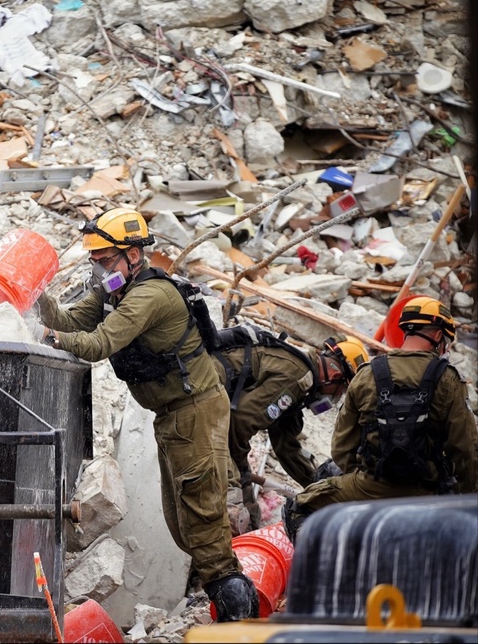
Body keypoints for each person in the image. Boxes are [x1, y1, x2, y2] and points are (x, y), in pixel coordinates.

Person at [29, 207, 260, 622]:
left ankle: (237, 611)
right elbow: (70, 320)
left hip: (196, 410)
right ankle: (222, 594)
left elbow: (98, 344)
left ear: (133, 255)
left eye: (104, 260)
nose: (98, 269)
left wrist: (48, 336)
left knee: (203, 520)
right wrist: (34, 295)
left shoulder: (151, 295)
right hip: (171, 415)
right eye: (94, 261)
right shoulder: (113, 290)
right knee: (182, 523)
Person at [283, 297, 477, 541]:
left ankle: (330, 566)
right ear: (438, 336)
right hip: (428, 495)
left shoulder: (367, 374)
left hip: (370, 486)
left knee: (298, 508)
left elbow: (342, 449)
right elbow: (466, 452)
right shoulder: (450, 380)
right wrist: (463, 497)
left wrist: (364, 481)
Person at [212, 327, 370, 527]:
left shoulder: (302, 389)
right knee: (233, 513)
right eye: (342, 388)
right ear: (335, 373)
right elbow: (240, 422)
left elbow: (287, 447)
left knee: (249, 516)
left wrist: (320, 490)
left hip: (218, 413)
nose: (338, 396)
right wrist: (240, 470)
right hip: (202, 397)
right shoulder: (298, 377)